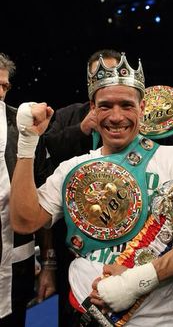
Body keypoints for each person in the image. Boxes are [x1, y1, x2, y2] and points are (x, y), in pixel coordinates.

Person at [10, 51, 173, 326]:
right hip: (88, 316)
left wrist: (136, 281)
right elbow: (24, 220)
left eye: (126, 105)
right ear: (93, 107)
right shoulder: (73, 168)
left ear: (142, 107)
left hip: (163, 321)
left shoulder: (170, 158)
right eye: (106, 106)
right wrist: (27, 143)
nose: (116, 117)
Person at [43, 49, 121, 327]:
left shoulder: (129, 112)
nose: (105, 79)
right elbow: (46, 150)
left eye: (111, 73)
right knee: (71, 309)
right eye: (97, 75)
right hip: (72, 237)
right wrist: (82, 128)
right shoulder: (69, 114)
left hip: (127, 236)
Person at [0, 52, 55, 327]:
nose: (0, 92)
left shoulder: (23, 126)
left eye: (4, 86)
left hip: (15, 268)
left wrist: (48, 264)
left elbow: (43, 198)